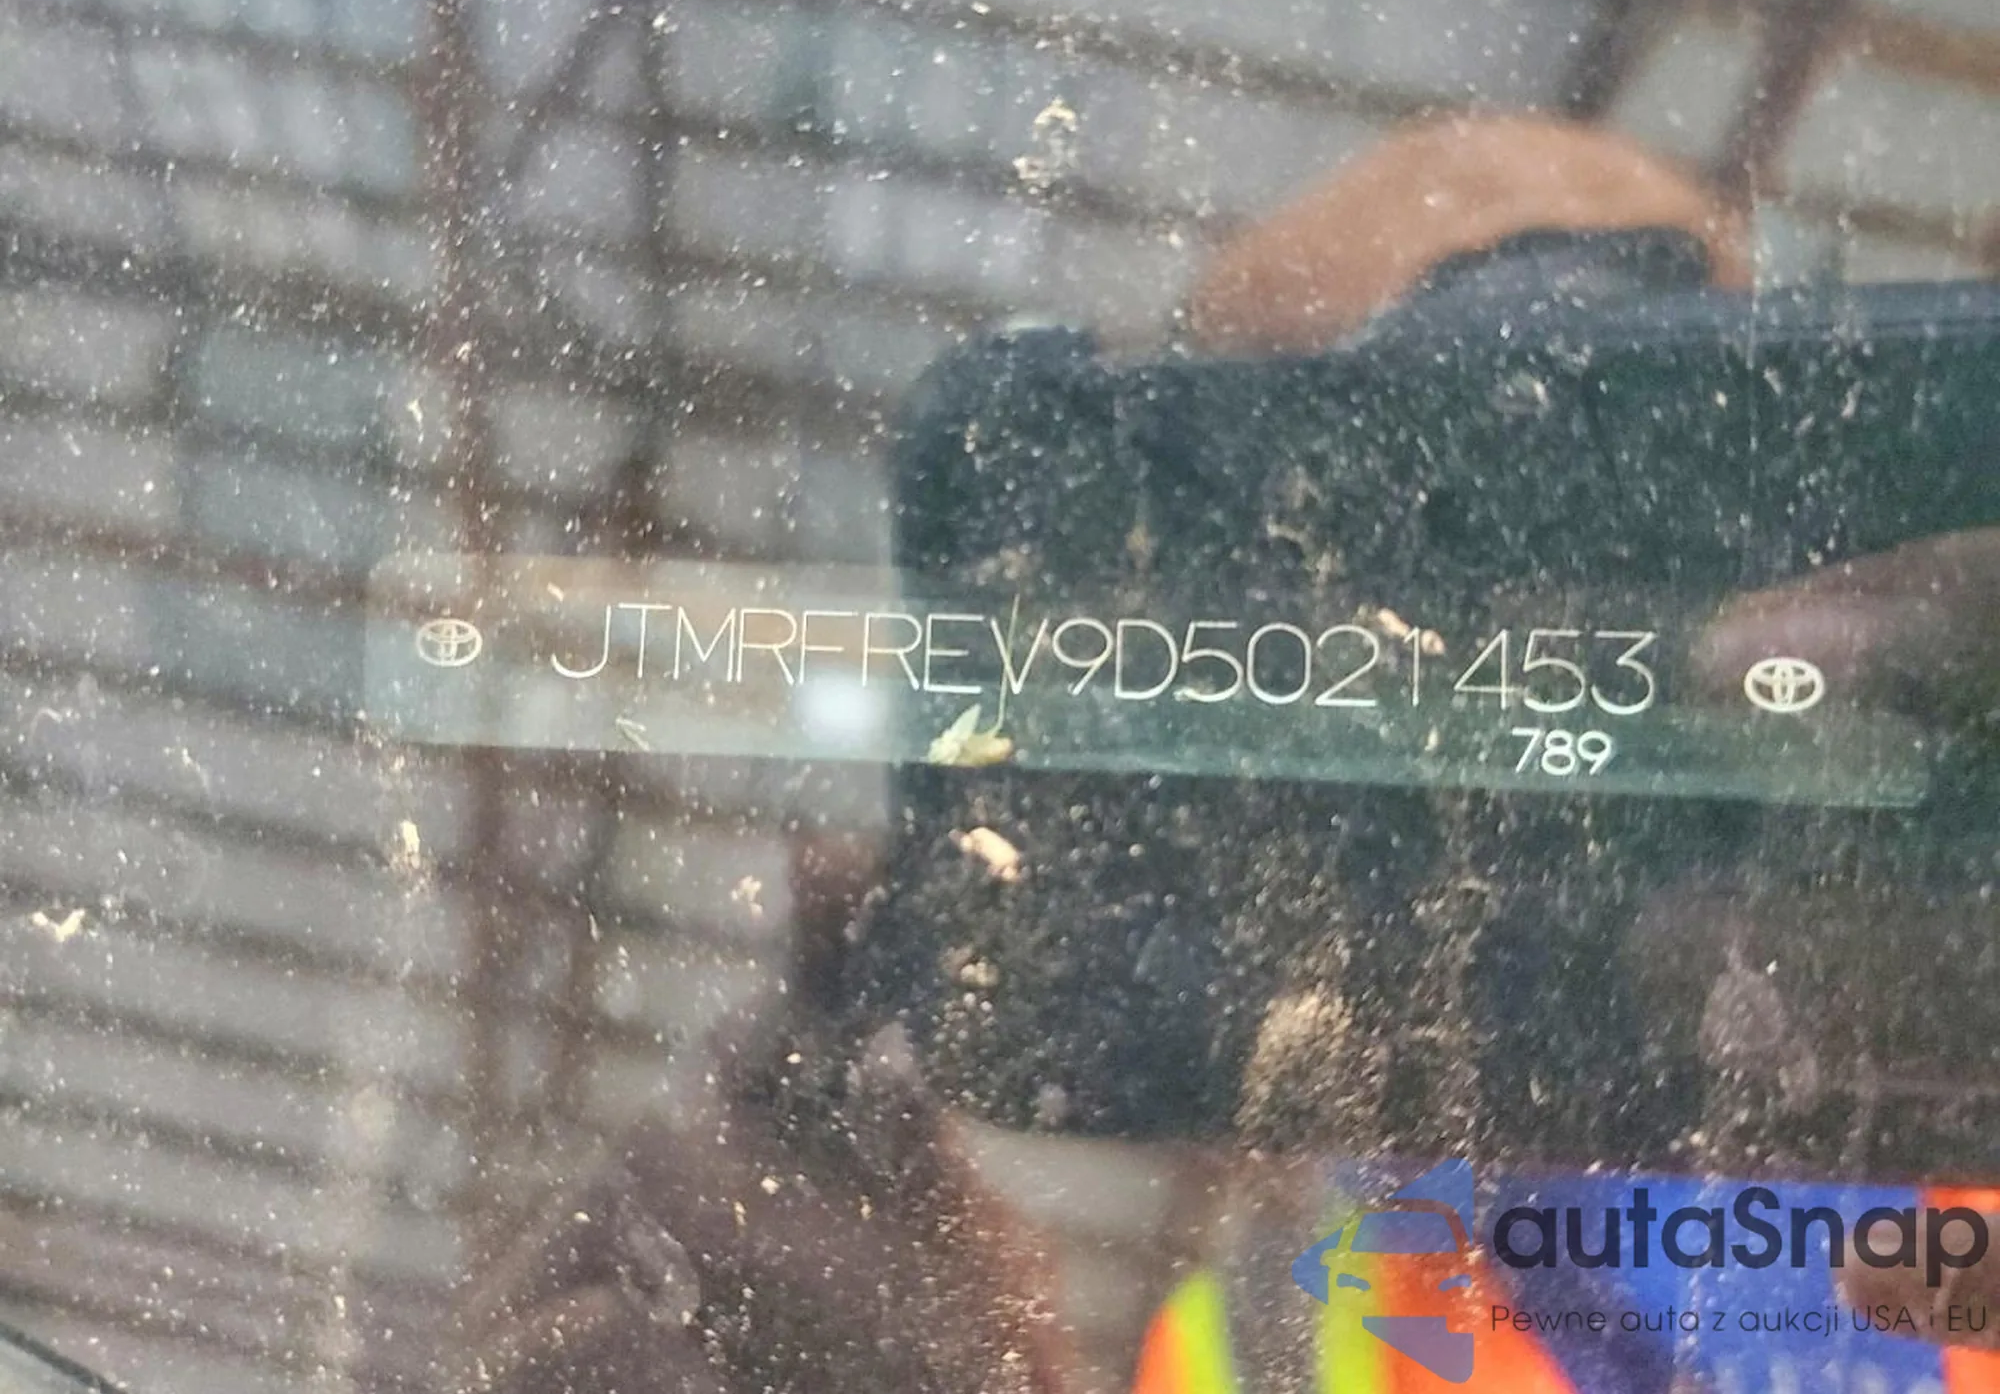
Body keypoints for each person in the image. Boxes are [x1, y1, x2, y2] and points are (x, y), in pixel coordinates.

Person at [436, 111, 1999, 1393]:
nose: (1524, 712)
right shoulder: (1274, 1341)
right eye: (1378, 568)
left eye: (1637, 482)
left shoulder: (1933, 1050)